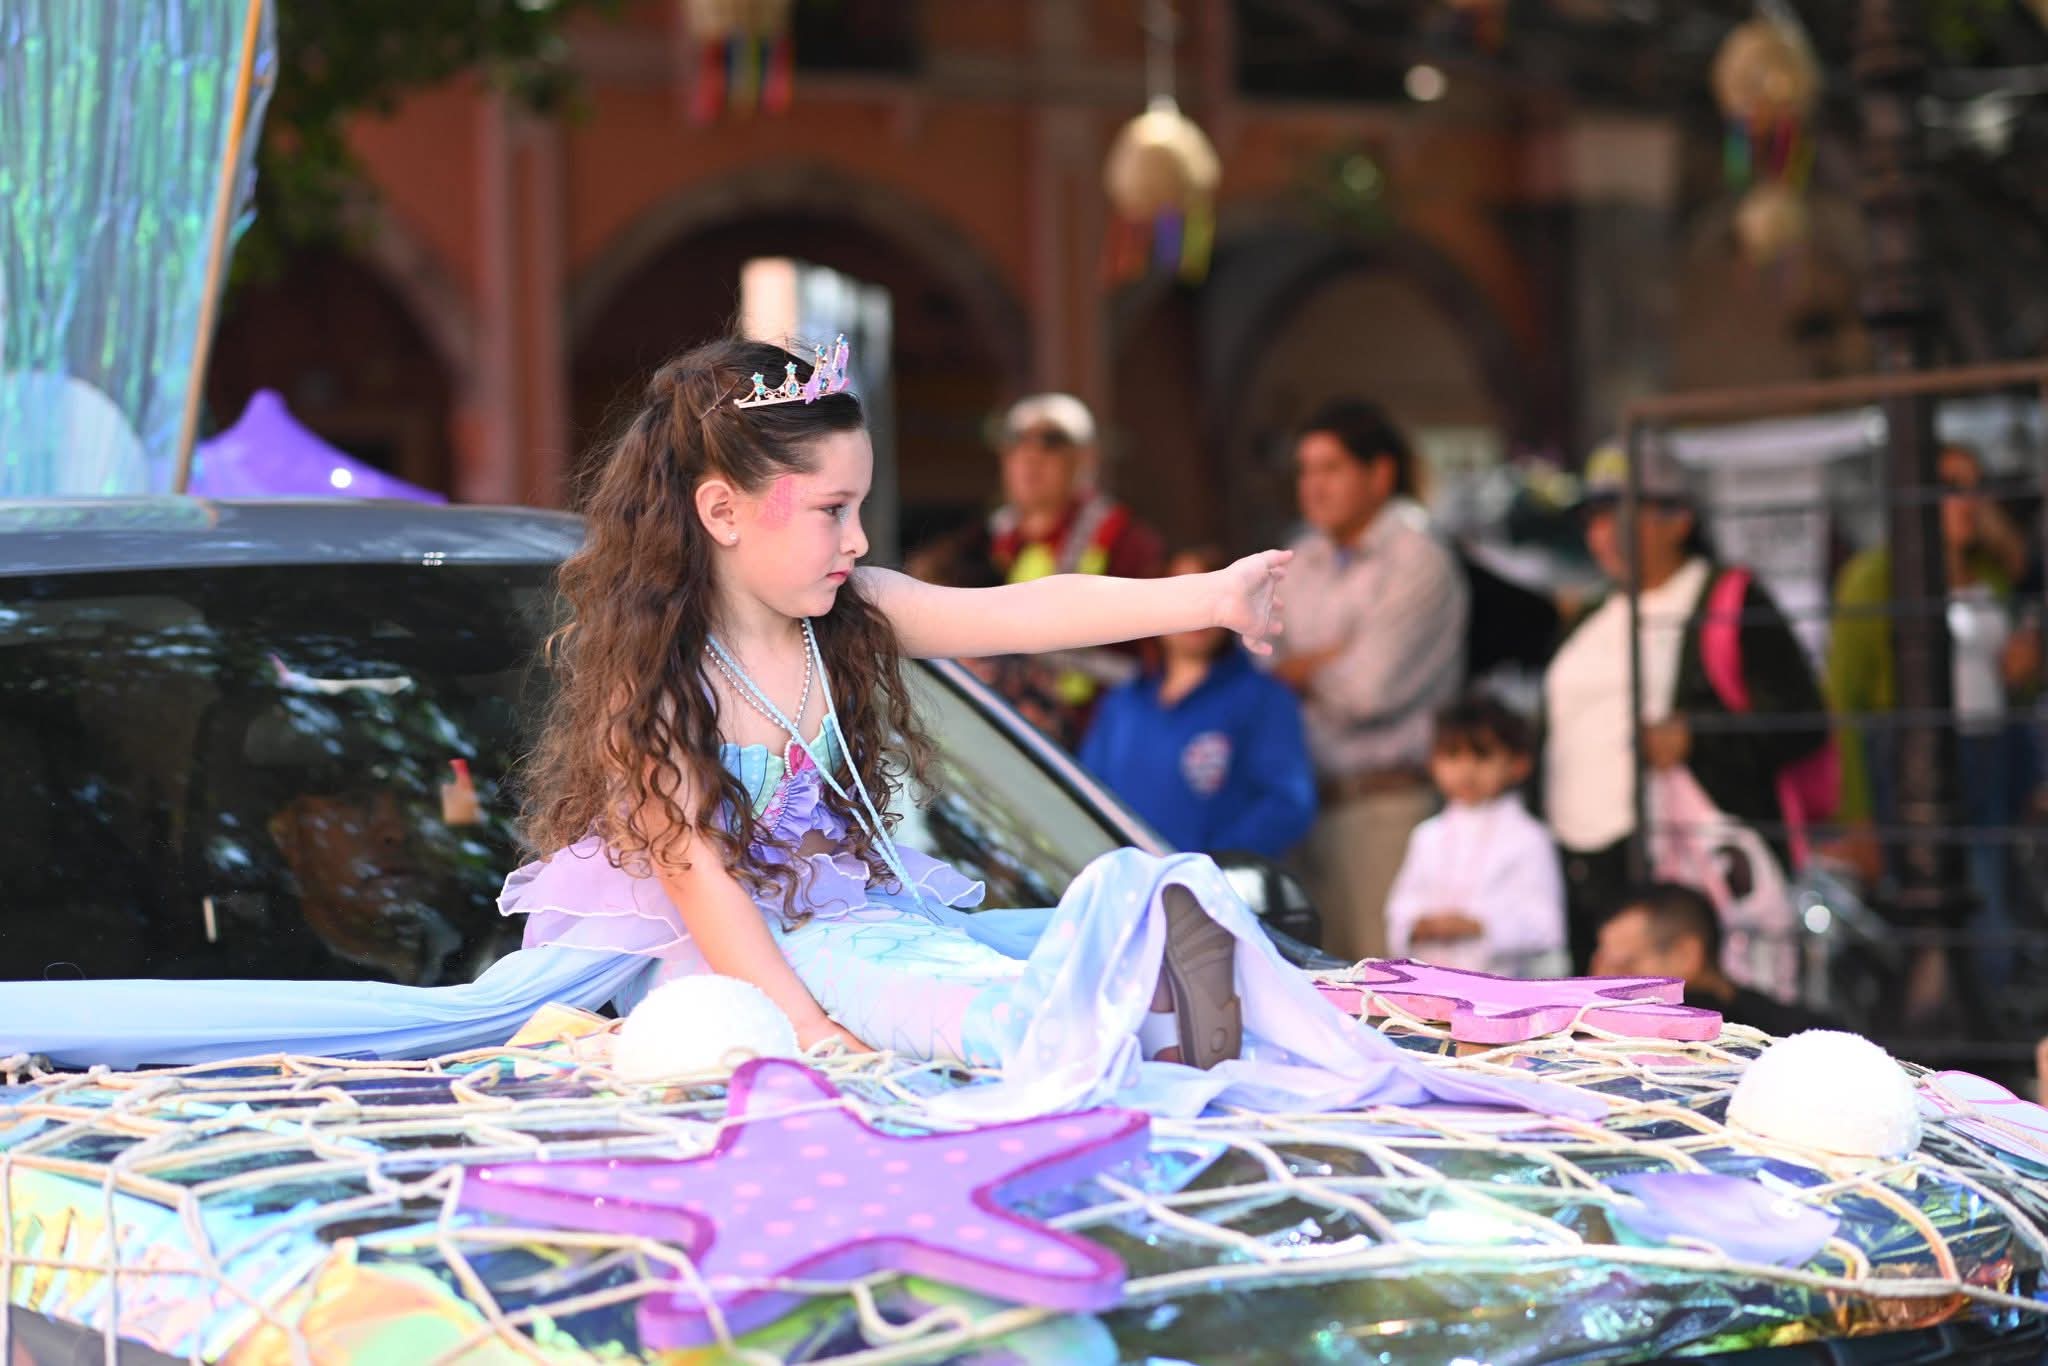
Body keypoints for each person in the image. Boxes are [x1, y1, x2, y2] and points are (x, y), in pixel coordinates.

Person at [500, 338, 1594, 1122]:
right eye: (833, 509)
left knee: (992, 947)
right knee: (947, 990)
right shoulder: (658, 685)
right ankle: (1106, 1024)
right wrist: (811, 1041)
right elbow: (706, 890)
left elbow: (1024, 611)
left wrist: (1201, 598)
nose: (860, 535)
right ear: (721, 511)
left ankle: (1142, 999)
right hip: (730, 980)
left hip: (842, 933)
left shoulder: (845, 618)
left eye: (860, 505)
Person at [1541, 442, 1828, 972]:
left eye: (1621, 515)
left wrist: (1696, 735)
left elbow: (1800, 718)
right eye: (1594, 519)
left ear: (1679, 519)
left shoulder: (1727, 598)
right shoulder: (1591, 611)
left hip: (1680, 870)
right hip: (1583, 869)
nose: (1603, 534)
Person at [1269, 400, 1468, 963]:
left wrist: (1303, 668)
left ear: (1380, 474)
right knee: (1313, 994)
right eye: (1305, 470)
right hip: (1304, 810)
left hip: (1385, 808)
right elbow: (1261, 669)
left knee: (1387, 993)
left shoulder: (1419, 558)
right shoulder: (1299, 557)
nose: (1312, 485)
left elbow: (1370, 689)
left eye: (1330, 469)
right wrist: (1331, 657)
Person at [1827, 443, 2026, 992]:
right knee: (1937, 907)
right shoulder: (1875, 576)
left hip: (1990, 752)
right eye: (1949, 485)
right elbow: (1844, 700)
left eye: (1972, 485)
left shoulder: (1990, 574)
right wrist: (1857, 814)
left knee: (1995, 894)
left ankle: (1995, 1017)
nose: (1966, 500)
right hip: (1912, 760)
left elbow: (2009, 679)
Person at [1078, 547, 1316, 860]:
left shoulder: (1263, 699)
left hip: (1216, 895)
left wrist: (1211, 864)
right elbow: (1087, 799)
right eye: (1185, 593)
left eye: (1212, 594)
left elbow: (1288, 804)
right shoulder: (1122, 705)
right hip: (1126, 895)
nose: (1199, 610)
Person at [975, 393, 1165, 746]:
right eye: (1017, 443)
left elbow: (1155, 662)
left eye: (1051, 443)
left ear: (1085, 459)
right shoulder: (986, 541)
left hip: (1097, 739)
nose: (1030, 457)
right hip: (1004, 732)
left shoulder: (1126, 541)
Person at [1383, 695, 1567, 977]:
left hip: (1503, 987)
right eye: (1453, 756)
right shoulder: (1427, 835)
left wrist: (1478, 926)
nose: (1466, 770)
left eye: (1482, 756)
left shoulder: (1529, 837)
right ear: (1433, 763)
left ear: (1518, 764)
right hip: (1431, 982)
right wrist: (1416, 925)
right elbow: (1400, 906)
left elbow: (1546, 926)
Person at [1591, 883, 1840, 1037]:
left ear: (1685, 954)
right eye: (1598, 965)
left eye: (1624, 966)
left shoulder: (1790, 1041)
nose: (1599, 980)